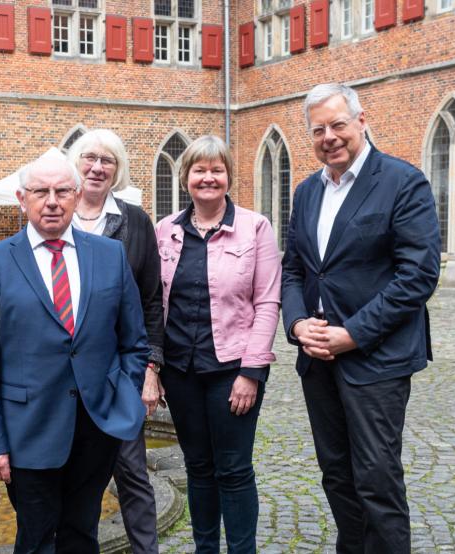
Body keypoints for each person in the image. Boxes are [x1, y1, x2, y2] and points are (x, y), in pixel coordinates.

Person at [281, 83, 440, 553]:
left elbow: (417, 275)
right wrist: (297, 324)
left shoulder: (402, 182)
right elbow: (294, 270)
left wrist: (352, 333)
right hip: (318, 360)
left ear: (361, 121)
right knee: (336, 474)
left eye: (337, 125)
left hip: (376, 359)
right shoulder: (307, 192)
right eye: (318, 130)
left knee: (377, 478)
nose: (329, 137)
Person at [0, 156, 148, 553]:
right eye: (40, 192)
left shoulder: (110, 255)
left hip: (97, 426)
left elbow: (133, 341)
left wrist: (124, 397)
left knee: (82, 534)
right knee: (36, 538)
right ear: (22, 199)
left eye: (62, 191)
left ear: (77, 196)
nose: (52, 201)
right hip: (28, 429)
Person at [154, 135, 281, 553]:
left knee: (234, 469)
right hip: (181, 372)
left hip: (232, 370)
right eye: (199, 170)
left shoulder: (255, 227)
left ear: (228, 176)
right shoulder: (165, 231)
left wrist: (252, 372)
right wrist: (154, 368)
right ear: (186, 177)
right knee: (198, 467)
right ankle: (205, 548)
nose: (208, 178)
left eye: (217, 170)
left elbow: (267, 302)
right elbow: (154, 302)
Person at [67, 129, 164, 554]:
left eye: (107, 160)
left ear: (118, 169)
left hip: (118, 372)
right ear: (75, 163)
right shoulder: (55, 212)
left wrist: (150, 369)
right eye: (89, 158)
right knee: (69, 475)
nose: (97, 167)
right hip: (62, 375)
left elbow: (151, 301)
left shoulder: (136, 222)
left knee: (132, 472)